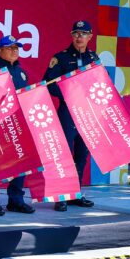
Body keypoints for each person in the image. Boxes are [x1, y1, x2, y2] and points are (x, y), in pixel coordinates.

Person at [43, 20, 99, 211]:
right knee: (64, 155)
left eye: (83, 34)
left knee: (82, 155)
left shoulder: (94, 58)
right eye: (76, 33)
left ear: (90, 37)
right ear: (71, 36)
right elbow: (48, 84)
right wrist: (68, 94)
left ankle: (75, 193)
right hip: (67, 112)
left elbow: (101, 83)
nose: (79, 37)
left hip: (87, 113)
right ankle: (61, 196)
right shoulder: (61, 58)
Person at [0, 35, 36, 215]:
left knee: (20, 161)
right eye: (9, 48)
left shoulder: (21, 72)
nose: (14, 51)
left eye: (16, 48)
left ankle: (16, 200)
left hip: (18, 123)